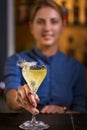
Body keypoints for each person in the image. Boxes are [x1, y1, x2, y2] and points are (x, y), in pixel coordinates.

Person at [4, 0, 87, 114]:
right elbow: (11, 98)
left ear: (63, 26)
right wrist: (20, 98)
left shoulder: (76, 68)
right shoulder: (16, 61)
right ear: (31, 27)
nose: (47, 28)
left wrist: (64, 111)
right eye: (40, 22)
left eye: (54, 22)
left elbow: (81, 111)